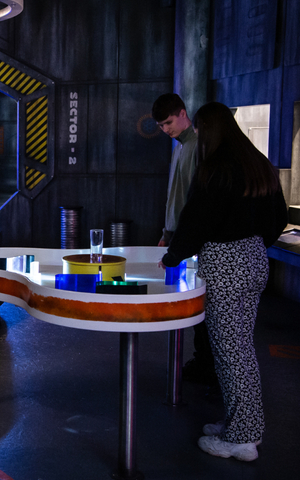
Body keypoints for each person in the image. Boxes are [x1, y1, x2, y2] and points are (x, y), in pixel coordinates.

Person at [160, 101, 287, 461]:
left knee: (232, 353)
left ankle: (244, 436)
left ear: (209, 129)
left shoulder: (215, 168)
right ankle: (236, 421)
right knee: (238, 347)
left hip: (225, 266)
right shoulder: (256, 163)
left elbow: (196, 219)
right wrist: (251, 242)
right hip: (254, 260)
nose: (196, 135)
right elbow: (277, 217)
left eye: (199, 129)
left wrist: (172, 255)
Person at [152, 93, 215, 386]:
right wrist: (168, 234)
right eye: (162, 125)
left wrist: (177, 237)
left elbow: (192, 202)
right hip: (181, 236)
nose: (166, 129)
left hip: (193, 239)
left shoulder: (197, 147)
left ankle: (206, 364)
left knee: (203, 303)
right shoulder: (183, 147)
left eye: (169, 122)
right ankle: (202, 361)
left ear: (182, 113)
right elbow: (176, 197)